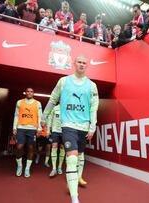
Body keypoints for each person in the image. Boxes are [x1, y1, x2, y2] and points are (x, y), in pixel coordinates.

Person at [42, 55, 99, 203]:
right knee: (72, 158)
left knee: (79, 156)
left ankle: (73, 180)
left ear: (87, 66)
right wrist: (44, 117)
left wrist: (92, 127)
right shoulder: (63, 81)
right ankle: (75, 198)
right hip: (67, 125)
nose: (81, 65)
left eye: (84, 63)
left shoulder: (92, 86)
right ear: (74, 63)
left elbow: (94, 107)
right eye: (79, 62)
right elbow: (53, 99)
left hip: (84, 127)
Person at [13, 88, 42, 178]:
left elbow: (40, 116)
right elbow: (16, 115)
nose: (29, 93)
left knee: (31, 148)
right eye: (28, 91)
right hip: (21, 127)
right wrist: (14, 127)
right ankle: (20, 166)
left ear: (33, 93)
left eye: (31, 91)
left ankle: (27, 168)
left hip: (32, 129)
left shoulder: (37, 103)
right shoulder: (19, 102)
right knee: (19, 147)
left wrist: (39, 128)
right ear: (25, 92)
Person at [47, 104, 66, 177]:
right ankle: (54, 168)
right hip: (55, 131)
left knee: (62, 148)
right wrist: (48, 130)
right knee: (54, 147)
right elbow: (49, 119)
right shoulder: (55, 108)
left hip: (64, 131)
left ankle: (59, 167)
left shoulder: (68, 107)